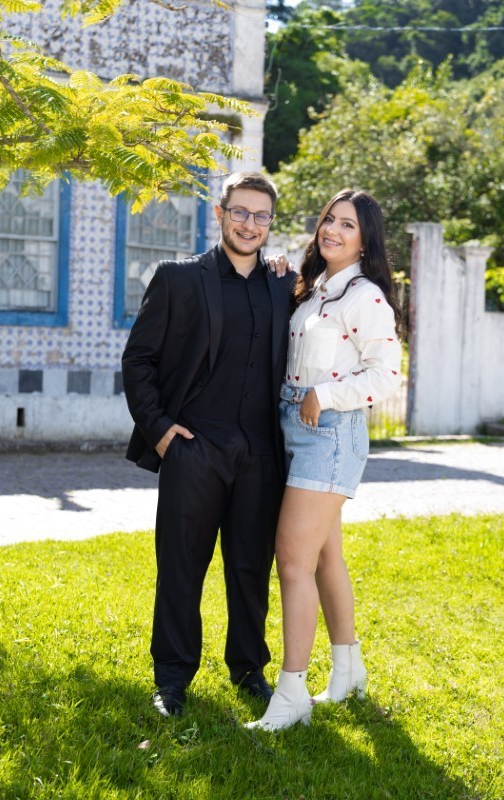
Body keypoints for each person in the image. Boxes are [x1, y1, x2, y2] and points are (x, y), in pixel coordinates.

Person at [122, 171, 295, 717]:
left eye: (261, 215)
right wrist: (160, 431)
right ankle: (171, 680)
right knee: (181, 567)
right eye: (239, 212)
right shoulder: (177, 279)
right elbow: (138, 360)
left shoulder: (283, 286)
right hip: (194, 448)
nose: (249, 224)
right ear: (219, 214)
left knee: (250, 570)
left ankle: (248, 669)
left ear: (271, 222)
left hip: (260, 453)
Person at [245, 188, 403, 731]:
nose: (332, 230)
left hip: (330, 434)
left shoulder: (364, 297)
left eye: (348, 225)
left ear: (365, 242)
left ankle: (292, 694)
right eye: (329, 220)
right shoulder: (315, 289)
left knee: (292, 561)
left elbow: (387, 374)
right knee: (325, 557)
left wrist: (325, 395)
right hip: (294, 428)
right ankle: (348, 669)